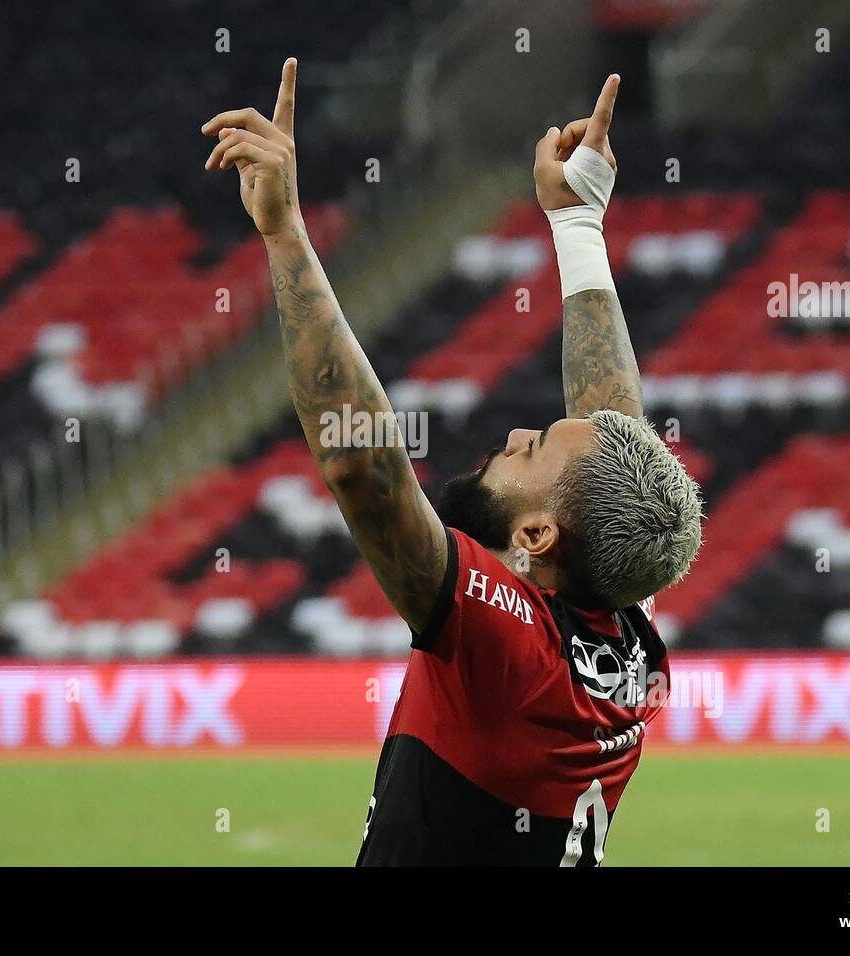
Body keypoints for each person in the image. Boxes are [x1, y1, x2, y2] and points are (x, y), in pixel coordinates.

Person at [203, 61, 702, 866]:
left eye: (532, 450)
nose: (512, 438)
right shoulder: (629, 643)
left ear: (538, 535)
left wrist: (285, 232)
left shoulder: (508, 650)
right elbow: (614, 439)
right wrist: (577, 228)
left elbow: (363, 468)